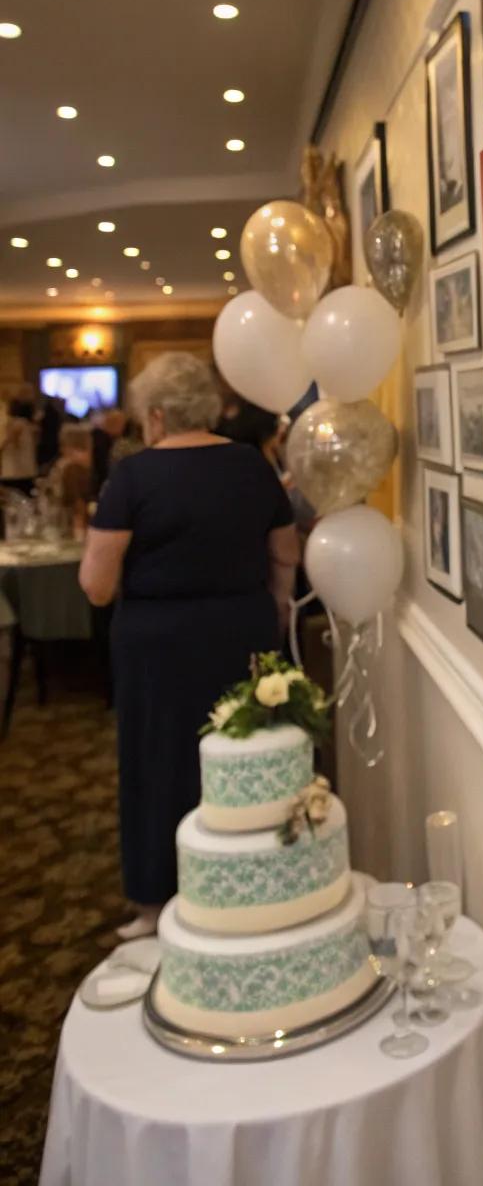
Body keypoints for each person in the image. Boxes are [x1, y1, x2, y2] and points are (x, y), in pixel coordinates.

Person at [79, 352, 298, 940]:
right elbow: (285, 554)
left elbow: (97, 586)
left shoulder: (132, 476)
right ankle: (255, 886)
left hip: (158, 641)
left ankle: (157, 903)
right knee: (246, 757)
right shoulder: (251, 465)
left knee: (156, 762)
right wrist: (275, 612)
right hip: (241, 627)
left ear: (155, 415)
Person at [1, 383, 38, 494]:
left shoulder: (18, 424)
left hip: (16, 473)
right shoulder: (26, 425)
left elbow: (10, 441)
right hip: (23, 471)